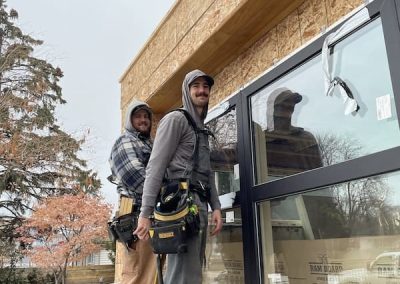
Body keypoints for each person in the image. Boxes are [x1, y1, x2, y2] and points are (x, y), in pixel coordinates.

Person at [134, 69, 223, 284]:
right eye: (196, 86)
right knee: (183, 274)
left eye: (205, 86)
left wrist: (217, 206)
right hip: (181, 205)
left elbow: (206, 171)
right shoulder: (175, 120)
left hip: (199, 205)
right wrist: (145, 213)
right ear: (187, 90)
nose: (202, 90)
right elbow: (155, 166)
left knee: (192, 271)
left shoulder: (201, 129)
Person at [109, 100, 156, 284]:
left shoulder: (148, 144)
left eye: (146, 117)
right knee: (137, 273)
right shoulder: (125, 141)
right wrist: (164, 192)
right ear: (130, 119)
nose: (143, 120)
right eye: (138, 116)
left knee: (152, 272)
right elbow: (136, 177)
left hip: (149, 211)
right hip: (135, 212)